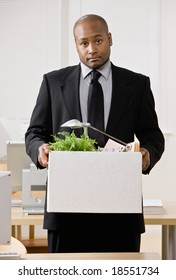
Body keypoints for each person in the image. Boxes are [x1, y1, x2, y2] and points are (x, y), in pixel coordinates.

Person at [25, 14, 165, 253]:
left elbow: (153, 135)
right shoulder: (52, 82)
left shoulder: (137, 84)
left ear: (110, 39)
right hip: (66, 211)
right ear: (76, 45)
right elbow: (35, 133)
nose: (92, 49)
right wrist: (40, 150)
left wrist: (146, 154)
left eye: (98, 40)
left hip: (120, 211)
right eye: (84, 43)